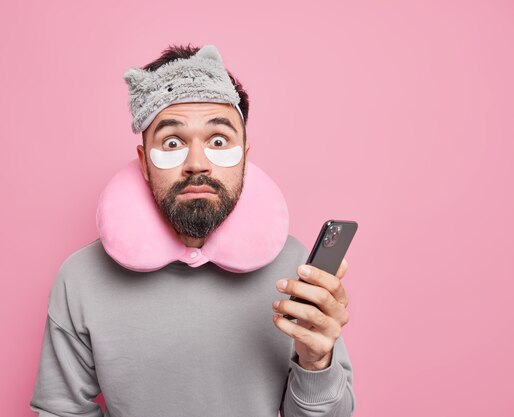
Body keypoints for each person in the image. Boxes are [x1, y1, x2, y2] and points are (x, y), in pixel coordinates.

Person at [29, 44, 356, 417]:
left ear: (245, 157)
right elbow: (60, 410)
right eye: (172, 142)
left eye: (218, 141)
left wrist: (316, 362)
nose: (197, 163)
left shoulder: (297, 269)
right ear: (143, 163)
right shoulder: (82, 278)